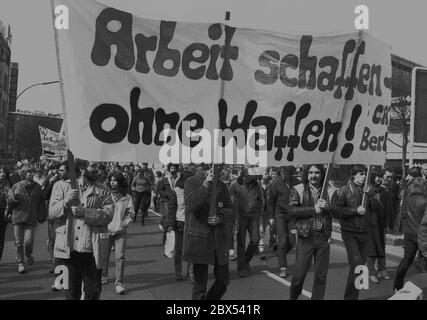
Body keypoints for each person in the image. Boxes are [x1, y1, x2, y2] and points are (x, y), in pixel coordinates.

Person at [49, 162, 114, 300]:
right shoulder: (61, 186)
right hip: (68, 250)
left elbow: (109, 215)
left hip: (93, 251)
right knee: (71, 292)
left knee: (93, 292)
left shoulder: (103, 190)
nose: (98, 170)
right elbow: (52, 212)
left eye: (99, 167)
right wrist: (66, 201)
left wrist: (86, 212)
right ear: (83, 168)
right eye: (94, 166)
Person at [288, 164, 338, 300]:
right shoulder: (298, 189)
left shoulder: (331, 190)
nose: (313, 175)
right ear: (306, 174)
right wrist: (312, 209)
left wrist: (328, 207)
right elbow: (291, 210)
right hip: (306, 238)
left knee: (321, 277)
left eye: (317, 172)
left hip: (323, 238)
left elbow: (338, 211)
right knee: (298, 276)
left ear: (322, 174)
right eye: (310, 172)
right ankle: (293, 297)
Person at [183, 165, 233, 300]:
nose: (221, 171)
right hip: (200, 237)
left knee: (223, 281)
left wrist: (220, 217)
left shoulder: (221, 184)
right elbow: (192, 205)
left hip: (218, 239)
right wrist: (205, 185)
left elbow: (229, 208)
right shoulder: (191, 182)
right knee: (200, 286)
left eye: (221, 168)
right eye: (218, 167)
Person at [332, 165, 379, 300]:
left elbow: (378, 209)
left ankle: (353, 296)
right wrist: (355, 211)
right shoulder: (343, 190)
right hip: (350, 232)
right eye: (361, 174)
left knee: (359, 268)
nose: (364, 176)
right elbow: (335, 210)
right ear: (353, 175)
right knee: (357, 263)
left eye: (365, 174)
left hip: (365, 232)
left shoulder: (368, 191)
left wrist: (371, 196)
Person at [7, 165, 47, 274]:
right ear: (23, 174)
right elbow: (9, 201)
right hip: (18, 216)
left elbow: (41, 203)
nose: (30, 174)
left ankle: (29, 254)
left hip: (31, 217)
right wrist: (14, 197)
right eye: (27, 172)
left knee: (28, 241)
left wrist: (42, 216)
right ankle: (20, 263)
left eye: (31, 172)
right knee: (18, 242)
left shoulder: (37, 187)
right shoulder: (17, 186)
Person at [102, 171, 135, 294]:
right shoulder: (105, 194)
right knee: (104, 255)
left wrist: (123, 224)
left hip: (120, 231)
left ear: (120, 182)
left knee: (120, 257)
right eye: (111, 179)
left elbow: (131, 214)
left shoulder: (127, 197)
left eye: (115, 180)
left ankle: (119, 282)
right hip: (105, 229)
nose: (112, 182)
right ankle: (103, 276)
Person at [393, 177, 427, 291]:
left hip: (409, 233)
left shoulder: (408, 199)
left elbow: (403, 215)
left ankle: (397, 284)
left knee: (406, 260)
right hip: (423, 235)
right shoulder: (425, 201)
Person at [229, 168, 263, 277]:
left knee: (256, 240)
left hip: (254, 216)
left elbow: (261, 199)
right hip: (241, 216)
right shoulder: (235, 185)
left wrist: (259, 212)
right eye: (249, 174)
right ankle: (241, 267)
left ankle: (245, 260)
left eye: (252, 174)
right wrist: (234, 218)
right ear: (243, 174)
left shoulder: (257, 185)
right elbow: (231, 202)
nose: (251, 176)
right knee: (241, 242)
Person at [268, 166, 295, 278]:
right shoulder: (276, 183)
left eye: (287, 172)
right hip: (280, 215)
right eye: (283, 172)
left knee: (292, 242)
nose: (284, 174)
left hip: (292, 215)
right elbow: (271, 202)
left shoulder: (297, 182)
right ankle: (283, 267)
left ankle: (280, 253)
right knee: (282, 240)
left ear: (291, 172)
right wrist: (271, 217)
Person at [168, 170, 194, 282]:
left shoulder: (195, 191)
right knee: (178, 250)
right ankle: (178, 272)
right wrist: (170, 225)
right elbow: (172, 208)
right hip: (180, 222)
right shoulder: (176, 191)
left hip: (191, 223)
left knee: (191, 249)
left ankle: (191, 273)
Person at [0, 166, 12, 264]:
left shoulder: (9, 185)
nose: (2, 174)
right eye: (0, 172)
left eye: (4, 172)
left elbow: (11, 201)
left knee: (1, 237)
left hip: (4, 213)